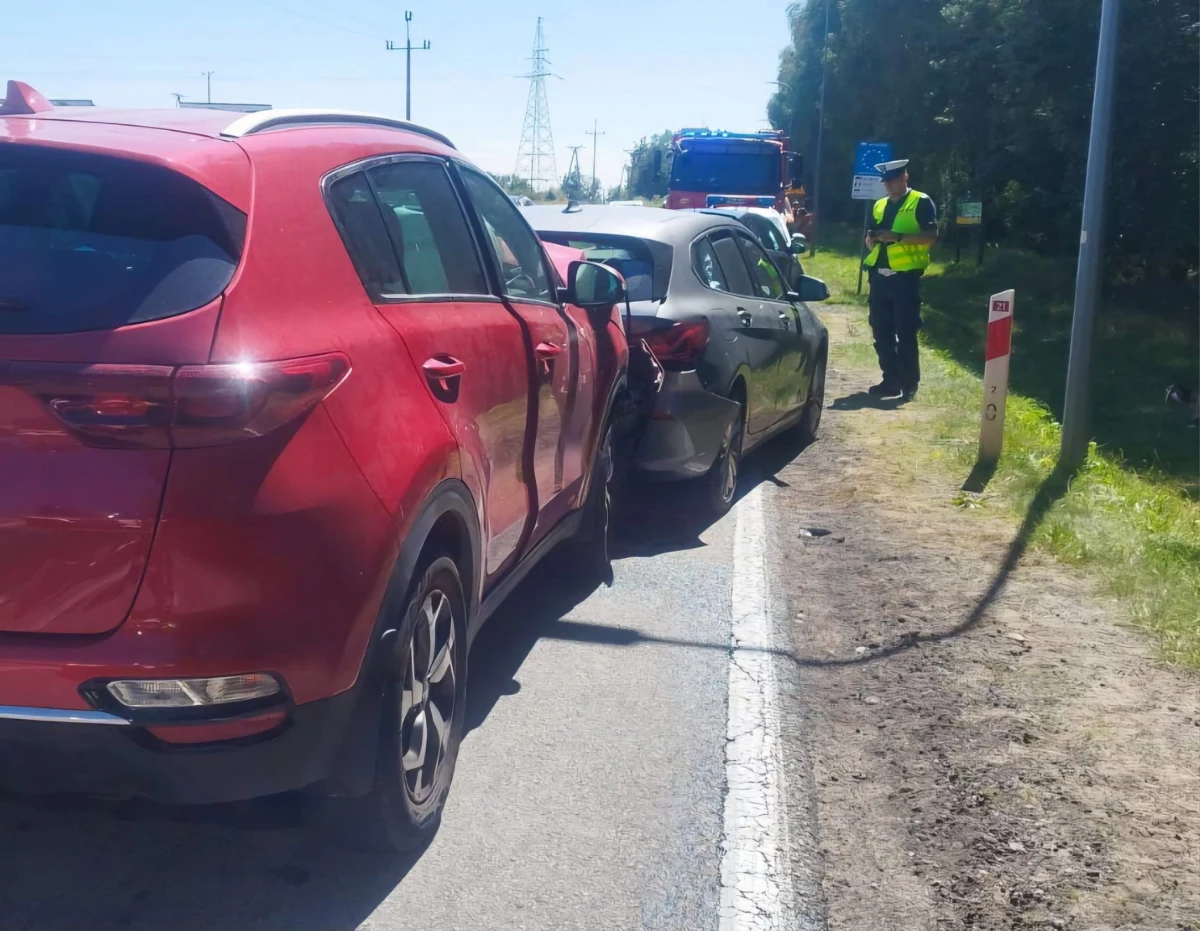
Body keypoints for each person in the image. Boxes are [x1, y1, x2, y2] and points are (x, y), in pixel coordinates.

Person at [862, 159, 937, 402]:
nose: (889, 185)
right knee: (881, 330)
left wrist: (899, 237)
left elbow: (931, 236)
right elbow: (870, 233)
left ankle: (909, 383)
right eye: (886, 181)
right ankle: (890, 380)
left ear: (905, 176)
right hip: (879, 276)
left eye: (894, 179)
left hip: (905, 277)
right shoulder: (879, 205)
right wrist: (872, 239)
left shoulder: (921, 201)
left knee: (906, 331)